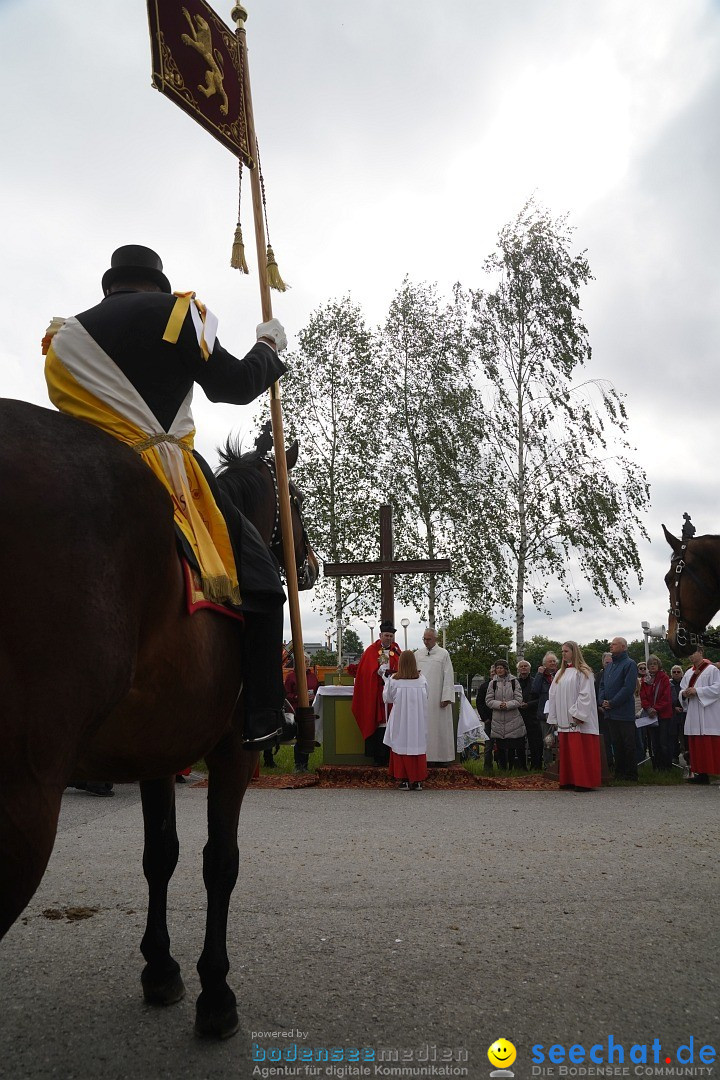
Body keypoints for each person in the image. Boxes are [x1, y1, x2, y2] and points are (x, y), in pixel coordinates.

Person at [43, 245, 288, 750]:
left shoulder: (64, 336)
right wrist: (267, 348)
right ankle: (263, 713)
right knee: (264, 582)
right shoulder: (176, 313)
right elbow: (235, 386)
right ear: (155, 283)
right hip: (167, 472)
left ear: (110, 286)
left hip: (86, 471)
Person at [547, 641, 601, 790]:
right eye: (562, 651)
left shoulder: (583, 671)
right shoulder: (560, 673)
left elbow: (586, 695)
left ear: (574, 652)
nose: (563, 654)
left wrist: (578, 714)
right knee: (568, 752)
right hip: (565, 719)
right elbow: (552, 695)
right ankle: (569, 779)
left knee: (580, 751)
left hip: (577, 719)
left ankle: (584, 781)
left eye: (566, 651)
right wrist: (554, 716)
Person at [351, 619, 402, 765]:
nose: (389, 638)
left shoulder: (396, 650)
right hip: (376, 693)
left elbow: (402, 667)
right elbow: (365, 672)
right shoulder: (371, 650)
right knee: (378, 722)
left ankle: (391, 756)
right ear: (380, 635)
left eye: (391, 636)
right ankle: (377, 757)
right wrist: (377, 673)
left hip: (392, 693)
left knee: (391, 722)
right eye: (386, 635)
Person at [383, 650, 429, 790]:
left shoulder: (394, 680)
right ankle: (417, 780)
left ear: (400, 663)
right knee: (417, 745)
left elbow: (387, 698)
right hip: (417, 720)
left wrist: (385, 681)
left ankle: (403, 779)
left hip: (400, 719)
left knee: (400, 743)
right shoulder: (422, 679)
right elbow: (426, 696)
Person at [599, 636, 639, 781]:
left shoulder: (629, 664)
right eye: (611, 644)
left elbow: (628, 687)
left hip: (624, 712)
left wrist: (613, 702)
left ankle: (631, 774)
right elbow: (602, 685)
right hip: (610, 713)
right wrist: (602, 700)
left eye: (614, 644)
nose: (611, 646)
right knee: (616, 744)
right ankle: (619, 772)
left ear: (623, 647)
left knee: (628, 744)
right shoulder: (609, 666)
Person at [414, 628, 456, 765]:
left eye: (429, 639)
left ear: (435, 639)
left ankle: (442, 758)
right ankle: (423, 757)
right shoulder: (417, 654)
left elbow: (448, 675)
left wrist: (446, 696)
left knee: (440, 727)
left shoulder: (443, 654)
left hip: (438, 697)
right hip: (422, 698)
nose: (426, 642)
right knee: (424, 727)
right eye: (424, 639)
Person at [680, 646, 720, 784]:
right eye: (688, 654)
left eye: (693, 652)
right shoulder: (688, 673)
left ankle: (715, 773)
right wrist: (684, 694)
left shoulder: (712, 670)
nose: (691, 656)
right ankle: (701, 774)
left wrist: (698, 691)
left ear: (701, 652)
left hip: (709, 712)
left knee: (711, 743)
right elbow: (682, 690)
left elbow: (717, 688)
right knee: (697, 743)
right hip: (694, 713)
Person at [486, 658, 525, 770]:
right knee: (500, 746)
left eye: (501, 668)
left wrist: (507, 705)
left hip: (512, 718)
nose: (499, 670)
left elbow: (518, 699)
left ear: (506, 669)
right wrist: (499, 704)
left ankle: (512, 767)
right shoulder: (492, 683)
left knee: (512, 745)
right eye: (497, 668)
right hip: (498, 719)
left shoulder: (514, 682)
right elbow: (488, 700)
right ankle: (502, 768)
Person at [284, 654, 320, 774]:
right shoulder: (291, 677)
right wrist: (297, 696)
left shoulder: (313, 677)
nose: (305, 664)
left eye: (307, 662)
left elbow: (317, 690)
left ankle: (305, 764)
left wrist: (313, 696)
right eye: (303, 661)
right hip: (296, 710)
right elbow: (286, 694)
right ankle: (298, 764)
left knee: (307, 737)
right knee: (299, 737)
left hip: (310, 709)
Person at [640, 655, 674, 770]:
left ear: (659, 665)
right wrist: (648, 708)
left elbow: (666, 697)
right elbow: (643, 696)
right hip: (650, 715)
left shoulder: (664, 678)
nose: (652, 666)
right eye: (650, 664)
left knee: (664, 741)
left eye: (655, 663)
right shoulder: (645, 680)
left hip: (663, 715)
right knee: (654, 743)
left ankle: (667, 766)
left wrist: (656, 708)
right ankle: (657, 766)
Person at [532, 652, 559, 768]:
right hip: (545, 715)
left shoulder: (560, 674)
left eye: (554, 661)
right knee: (548, 740)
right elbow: (535, 691)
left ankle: (561, 764)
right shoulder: (541, 677)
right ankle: (548, 765)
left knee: (561, 741)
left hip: (560, 713)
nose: (553, 663)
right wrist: (539, 674)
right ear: (544, 664)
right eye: (550, 661)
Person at [517, 660, 540, 769]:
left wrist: (528, 704)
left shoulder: (535, 682)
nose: (523, 668)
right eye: (521, 666)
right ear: (518, 669)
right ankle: (521, 766)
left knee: (534, 742)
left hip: (532, 715)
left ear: (529, 668)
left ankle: (536, 765)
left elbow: (540, 699)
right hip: (518, 715)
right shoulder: (515, 683)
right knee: (519, 742)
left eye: (525, 666)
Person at [595, 652, 614, 770]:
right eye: (607, 662)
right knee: (605, 740)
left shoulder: (618, 675)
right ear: (603, 663)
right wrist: (599, 705)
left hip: (615, 711)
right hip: (601, 713)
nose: (609, 664)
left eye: (611, 662)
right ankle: (607, 765)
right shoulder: (597, 677)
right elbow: (593, 693)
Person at [475, 664, 496, 774]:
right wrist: (485, 718)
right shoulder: (484, 686)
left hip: (502, 720)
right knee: (488, 746)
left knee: (502, 746)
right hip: (489, 720)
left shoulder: (504, 684)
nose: (493, 673)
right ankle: (487, 768)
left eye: (495, 671)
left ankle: (502, 766)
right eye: (491, 671)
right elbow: (479, 703)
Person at [670, 663, 687, 761]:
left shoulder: (685, 683)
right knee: (673, 736)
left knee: (685, 737)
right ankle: (674, 757)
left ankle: (687, 759)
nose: (676, 673)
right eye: (674, 672)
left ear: (682, 673)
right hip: (673, 713)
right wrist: (674, 707)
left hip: (685, 712)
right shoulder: (669, 683)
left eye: (678, 672)